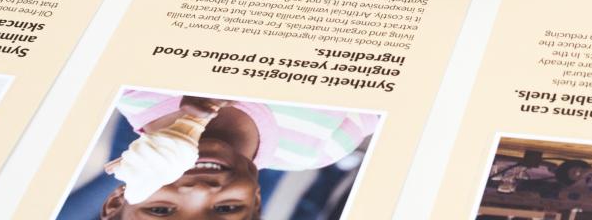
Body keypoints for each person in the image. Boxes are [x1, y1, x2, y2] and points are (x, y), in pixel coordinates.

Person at [89, 91, 379, 220]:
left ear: (117, 201)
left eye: (162, 210)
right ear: (255, 200)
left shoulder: (131, 88)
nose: (199, 190)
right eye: (226, 209)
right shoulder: (319, 148)